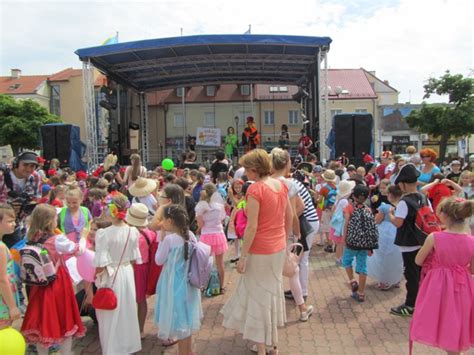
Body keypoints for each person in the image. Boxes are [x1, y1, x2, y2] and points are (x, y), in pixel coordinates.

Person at [221, 149, 292, 355]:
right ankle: (271, 343)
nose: (245, 175)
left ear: (254, 170)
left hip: (260, 249)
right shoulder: (281, 185)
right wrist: (284, 239)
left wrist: (243, 256)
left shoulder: (255, 190)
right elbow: (288, 216)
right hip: (277, 246)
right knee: (272, 292)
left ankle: (261, 347)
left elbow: (252, 227)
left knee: (258, 296)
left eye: (247, 171)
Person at [410, 197, 474, 355]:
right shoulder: (472, 241)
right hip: (463, 285)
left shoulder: (435, 237)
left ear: (444, 215)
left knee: (443, 319)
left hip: (439, 286)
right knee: (459, 320)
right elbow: (472, 270)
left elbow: (418, 260)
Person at [21, 204, 85, 355]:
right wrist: (83, 238)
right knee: (64, 318)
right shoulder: (57, 240)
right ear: (50, 221)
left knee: (42, 319)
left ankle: (42, 351)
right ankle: (65, 352)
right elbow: (77, 250)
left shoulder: (30, 236)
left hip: (38, 283)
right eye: (56, 218)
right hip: (57, 282)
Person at [93, 193, 142, 355]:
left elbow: (101, 263)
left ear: (112, 210)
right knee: (126, 310)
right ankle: (127, 346)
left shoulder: (104, 234)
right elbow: (135, 258)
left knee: (109, 312)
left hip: (111, 274)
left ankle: (112, 349)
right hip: (127, 272)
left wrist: (96, 278)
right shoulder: (133, 231)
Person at [270, 148, 314, 321]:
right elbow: (297, 210)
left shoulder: (264, 182)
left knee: (272, 275)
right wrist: (296, 234)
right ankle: (302, 309)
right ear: (287, 163)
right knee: (292, 270)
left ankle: (273, 315)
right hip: (285, 233)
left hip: (268, 234)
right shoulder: (290, 184)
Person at [155, 204, 202, 355]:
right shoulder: (191, 235)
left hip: (173, 285)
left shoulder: (169, 240)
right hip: (188, 284)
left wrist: (161, 239)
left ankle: (183, 352)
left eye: (163, 220)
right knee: (187, 320)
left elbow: (158, 260)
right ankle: (188, 351)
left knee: (180, 322)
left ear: (170, 221)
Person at [389, 163, 423, 317]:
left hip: (408, 244)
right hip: (422, 241)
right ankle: (421, 302)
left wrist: (390, 213)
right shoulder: (423, 197)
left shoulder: (404, 202)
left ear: (402, 184)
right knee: (420, 274)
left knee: (411, 276)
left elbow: (398, 222)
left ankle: (410, 305)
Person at [125, 203, 156, 339]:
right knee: (141, 300)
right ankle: (140, 329)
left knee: (129, 299)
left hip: (131, 267)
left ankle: (130, 328)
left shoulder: (129, 234)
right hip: (145, 268)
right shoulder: (150, 233)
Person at [341, 185, 376, 302]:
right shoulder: (368, 210)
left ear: (354, 196)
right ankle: (361, 293)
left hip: (351, 241)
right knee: (363, 266)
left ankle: (352, 281)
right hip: (365, 243)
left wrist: (344, 238)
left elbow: (346, 224)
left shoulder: (349, 208)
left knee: (346, 260)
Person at [0, 151, 42, 248]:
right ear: (16, 163)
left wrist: (26, 206)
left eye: (32, 166)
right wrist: (8, 207)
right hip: (1, 220)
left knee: (15, 253)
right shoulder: (2, 175)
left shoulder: (35, 177)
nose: (28, 169)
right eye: (25, 165)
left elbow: (36, 198)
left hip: (17, 223)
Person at [367, 185, 404, 290]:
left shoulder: (385, 207)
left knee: (383, 257)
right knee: (397, 257)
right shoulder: (403, 206)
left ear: (390, 195)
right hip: (398, 231)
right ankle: (396, 279)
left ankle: (384, 281)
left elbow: (377, 220)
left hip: (385, 233)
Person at [195, 184, 228, 292]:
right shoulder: (219, 206)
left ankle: (203, 285)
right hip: (218, 234)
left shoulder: (201, 207)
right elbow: (222, 219)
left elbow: (200, 224)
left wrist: (198, 228)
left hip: (206, 235)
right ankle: (222, 286)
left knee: (205, 263)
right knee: (220, 263)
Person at [0, 204, 20, 329]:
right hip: (3, 304)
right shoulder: (1, 248)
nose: (14, 224)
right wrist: (12, 307)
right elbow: (2, 279)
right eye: (10, 221)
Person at [329, 180, 356, 265]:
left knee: (339, 243)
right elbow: (346, 213)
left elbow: (333, 209)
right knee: (340, 243)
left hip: (336, 225)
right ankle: (339, 259)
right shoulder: (344, 201)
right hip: (340, 226)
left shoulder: (338, 198)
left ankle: (339, 258)